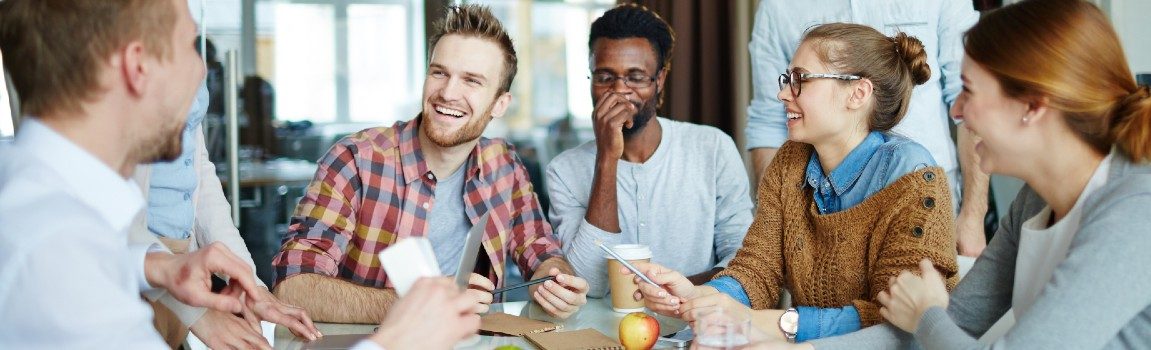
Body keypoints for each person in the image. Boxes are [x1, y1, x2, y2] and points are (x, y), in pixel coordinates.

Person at [0, 1, 480, 349]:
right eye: (190, 47)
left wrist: (154, 267)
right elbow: (68, 274)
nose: (201, 79)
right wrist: (395, 344)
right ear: (137, 67)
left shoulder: (40, 208)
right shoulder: (56, 261)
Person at [763, 1, 1151, 349]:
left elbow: (936, 326)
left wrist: (928, 316)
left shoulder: (1143, 213)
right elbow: (951, 326)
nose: (955, 111)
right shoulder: (1035, 201)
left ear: (1032, 105)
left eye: (969, 91)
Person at [628, 23, 958, 343]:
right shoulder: (791, 162)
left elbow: (896, 319)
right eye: (787, 79)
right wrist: (704, 296)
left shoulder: (915, 180)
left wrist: (780, 323)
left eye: (800, 79)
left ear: (857, 93)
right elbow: (759, 269)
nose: (782, 93)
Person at [272, 4, 589, 323]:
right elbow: (292, 287)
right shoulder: (356, 159)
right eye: (439, 72)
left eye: (472, 81)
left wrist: (556, 279)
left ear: (500, 104)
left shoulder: (504, 165)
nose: (448, 93)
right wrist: (418, 306)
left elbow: (541, 250)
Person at [745, 0, 991, 257]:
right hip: (816, 202)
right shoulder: (778, 6)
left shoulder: (914, 170)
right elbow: (768, 122)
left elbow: (972, 101)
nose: (784, 94)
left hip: (924, 196)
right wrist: (774, 223)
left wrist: (973, 217)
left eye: (801, 79)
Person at [545, 4, 753, 298]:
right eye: (605, 77)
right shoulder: (564, 170)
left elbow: (744, 262)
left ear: (660, 80)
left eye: (636, 77)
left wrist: (671, 294)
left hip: (695, 329)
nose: (620, 90)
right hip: (603, 337)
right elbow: (588, 282)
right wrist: (607, 158)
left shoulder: (713, 148)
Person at [128, 81, 318, 348]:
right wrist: (197, 313)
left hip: (182, 265)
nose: (201, 72)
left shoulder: (186, 57)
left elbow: (198, 175)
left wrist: (252, 285)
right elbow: (103, 213)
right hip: (134, 272)